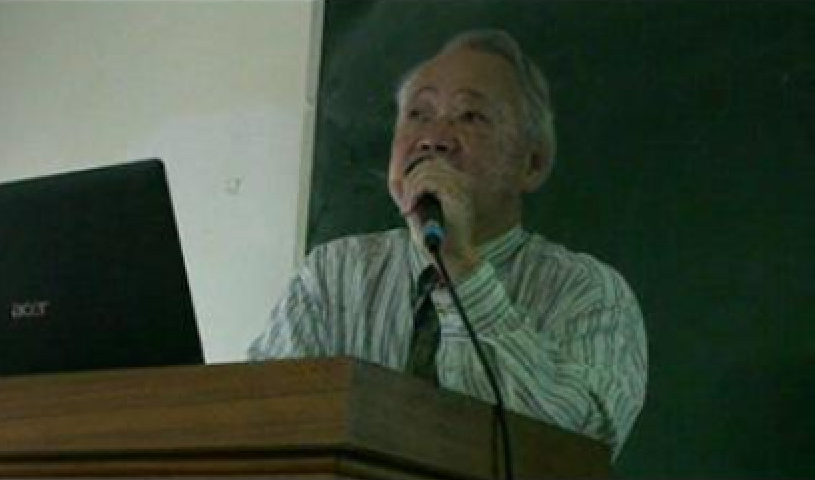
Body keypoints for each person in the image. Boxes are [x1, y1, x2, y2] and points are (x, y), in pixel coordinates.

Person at [248, 29, 647, 459]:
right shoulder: (332, 273)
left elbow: (572, 450)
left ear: (532, 163)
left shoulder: (588, 291)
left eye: (470, 116)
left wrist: (461, 268)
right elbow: (258, 426)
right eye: (418, 114)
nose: (434, 138)